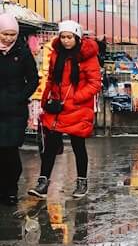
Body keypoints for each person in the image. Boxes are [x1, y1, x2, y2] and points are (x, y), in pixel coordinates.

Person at [29, 20, 101, 199]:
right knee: (50, 146)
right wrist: (46, 100)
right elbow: (52, 79)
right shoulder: (56, 54)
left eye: (69, 37)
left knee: (78, 146)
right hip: (58, 108)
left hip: (77, 108)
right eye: (63, 37)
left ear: (77, 37)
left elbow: (95, 84)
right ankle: (43, 182)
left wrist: (75, 98)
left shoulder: (87, 56)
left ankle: (82, 182)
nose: (66, 41)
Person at [0, 14, 38, 204]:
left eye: (12, 34)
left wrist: (20, 97)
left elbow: (33, 79)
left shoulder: (22, 51)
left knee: (10, 150)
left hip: (15, 111)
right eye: (5, 33)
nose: (9, 38)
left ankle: (11, 189)